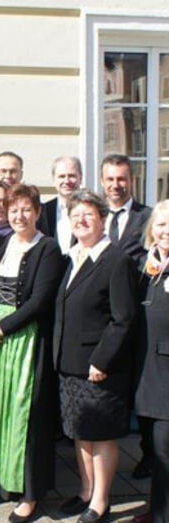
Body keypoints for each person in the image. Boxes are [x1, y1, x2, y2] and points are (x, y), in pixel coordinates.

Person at [0, 184, 64, 523]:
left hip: (26, 337)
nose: (19, 215)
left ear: (38, 212)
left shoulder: (48, 249)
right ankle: (6, 479)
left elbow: (40, 301)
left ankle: (31, 493)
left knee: (26, 413)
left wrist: (2, 328)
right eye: (13, 209)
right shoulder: (4, 244)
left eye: (26, 209)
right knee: (0, 408)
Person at [53, 189, 138, 523]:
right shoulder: (71, 257)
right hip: (70, 364)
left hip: (100, 368)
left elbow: (124, 318)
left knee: (101, 435)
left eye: (89, 214)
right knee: (80, 432)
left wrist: (102, 360)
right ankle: (85, 490)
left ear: (103, 219)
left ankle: (101, 501)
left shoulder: (116, 260)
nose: (82, 220)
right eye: (76, 216)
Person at [100, 153, 153, 479]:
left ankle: (148, 454)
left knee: (143, 388)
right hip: (101, 317)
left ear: (130, 180)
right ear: (102, 181)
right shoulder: (93, 215)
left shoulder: (147, 217)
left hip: (138, 317)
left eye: (121, 179)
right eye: (110, 179)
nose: (116, 185)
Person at [132, 200, 169, 523]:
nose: (165, 231)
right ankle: (157, 507)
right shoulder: (149, 266)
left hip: (167, 373)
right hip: (145, 369)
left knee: (164, 447)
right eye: (160, 225)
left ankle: (164, 522)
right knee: (150, 445)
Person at [38, 156, 83, 254]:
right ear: (54, 180)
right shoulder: (43, 211)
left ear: (81, 177)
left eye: (72, 176)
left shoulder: (91, 211)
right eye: (62, 176)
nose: (67, 181)